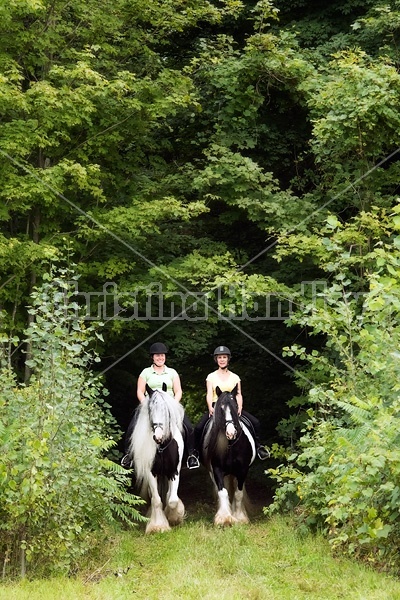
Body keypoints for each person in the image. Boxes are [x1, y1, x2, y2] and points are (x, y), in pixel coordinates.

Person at [121, 342, 200, 470]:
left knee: (188, 427)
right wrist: (145, 404)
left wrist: (173, 404)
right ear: (152, 357)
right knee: (132, 427)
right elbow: (140, 391)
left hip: (168, 406)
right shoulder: (145, 372)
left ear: (165, 357)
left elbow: (178, 390)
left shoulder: (172, 372)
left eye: (162, 355)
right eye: (157, 355)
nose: (160, 358)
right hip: (150, 406)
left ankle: (191, 456)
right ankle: (128, 456)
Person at [194, 345, 270, 460]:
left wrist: (240, 407)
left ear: (228, 359)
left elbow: (238, 393)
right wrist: (210, 406)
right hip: (217, 407)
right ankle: (196, 453)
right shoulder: (211, 377)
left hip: (233, 407)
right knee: (199, 428)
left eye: (224, 357)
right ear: (216, 360)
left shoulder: (235, 377)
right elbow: (209, 393)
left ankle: (259, 447)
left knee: (255, 422)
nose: (222, 360)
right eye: (219, 358)